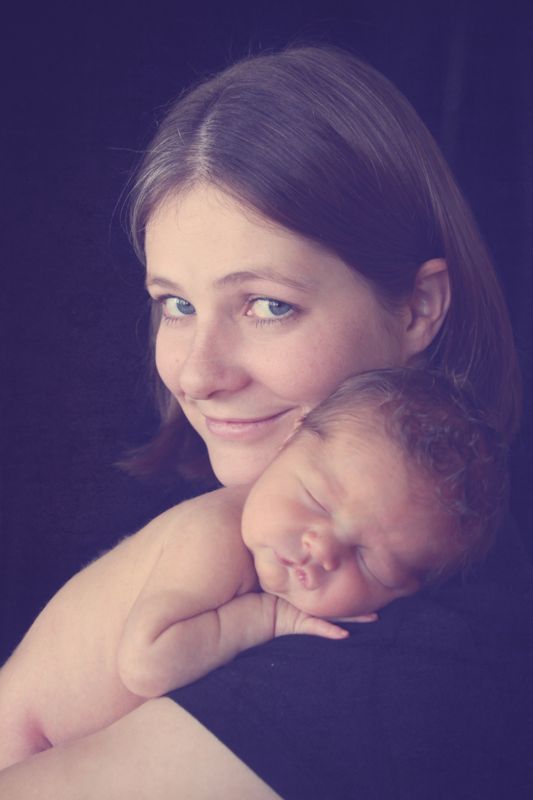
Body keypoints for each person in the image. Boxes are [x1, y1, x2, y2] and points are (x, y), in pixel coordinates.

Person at [0, 44, 532, 799]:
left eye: (267, 305)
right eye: (176, 304)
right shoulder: (250, 543)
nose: (196, 373)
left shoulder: (411, 659)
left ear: (417, 308)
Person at [0, 366, 504, 770]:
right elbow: (147, 662)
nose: (322, 549)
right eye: (317, 501)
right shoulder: (215, 536)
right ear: (289, 444)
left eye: (370, 562)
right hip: (21, 743)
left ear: (406, 592)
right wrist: (269, 619)